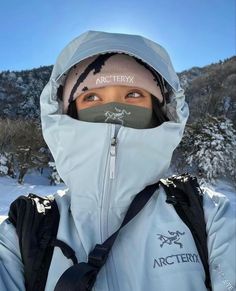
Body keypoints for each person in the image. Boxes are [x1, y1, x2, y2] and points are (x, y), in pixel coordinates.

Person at [0, 30, 235, 291]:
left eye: (133, 94)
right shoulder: (26, 230)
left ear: (158, 111)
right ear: (69, 113)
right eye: (91, 97)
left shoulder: (205, 213)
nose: (113, 111)